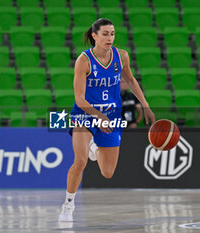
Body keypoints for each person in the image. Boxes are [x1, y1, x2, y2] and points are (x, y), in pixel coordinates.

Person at [58, 18, 155, 222]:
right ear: (94, 36)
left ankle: (95, 147)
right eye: (105, 34)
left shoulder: (122, 56)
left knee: (108, 172)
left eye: (112, 33)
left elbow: (130, 79)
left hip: (111, 116)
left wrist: (145, 104)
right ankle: (68, 204)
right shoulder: (84, 60)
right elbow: (80, 99)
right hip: (85, 114)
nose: (110, 38)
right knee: (80, 160)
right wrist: (99, 117)